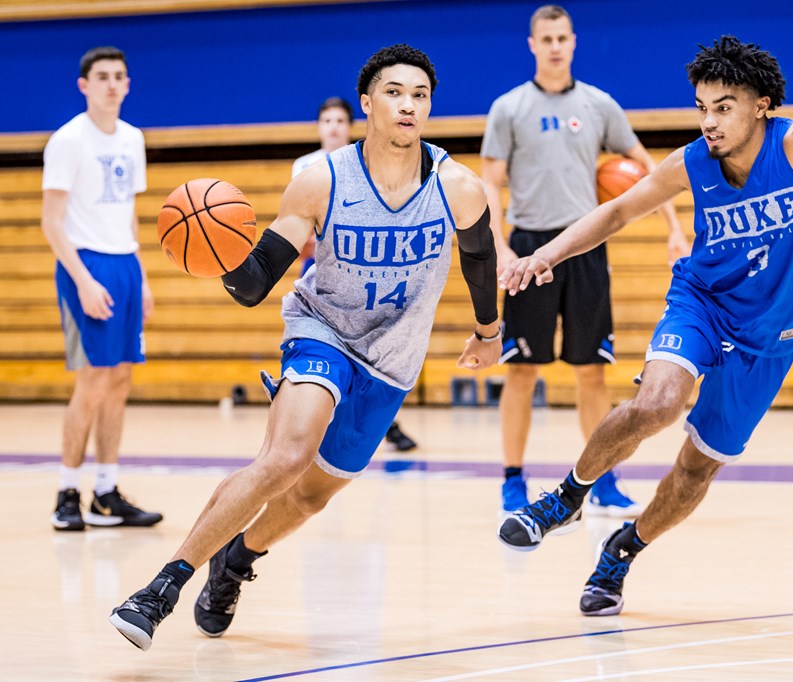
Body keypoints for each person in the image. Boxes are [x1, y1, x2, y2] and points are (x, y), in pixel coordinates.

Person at [497, 35, 793, 616]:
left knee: (695, 467)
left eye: (724, 107)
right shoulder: (691, 161)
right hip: (703, 303)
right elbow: (616, 211)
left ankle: (623, 551)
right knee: (656, 404)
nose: (709, 122)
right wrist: (545, 256)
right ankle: (567, 496)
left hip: (770, 336)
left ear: (761, 104)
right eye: (702, 107)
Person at [109, 44, 502, 650]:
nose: (408, 105)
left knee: (312, 496)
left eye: (420, 95)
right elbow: (258, 280)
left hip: (393, 361)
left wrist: (487, 332)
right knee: (287, 457)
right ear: (367, 103)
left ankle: (235, 561)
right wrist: (222, 254)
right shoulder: (322, 179)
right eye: (395, 92)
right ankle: (162, 587)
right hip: (321, 330)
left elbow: (479, 256)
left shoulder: (458, 186)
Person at [481, 4, 687, 519]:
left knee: (592, 371)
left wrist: (674, 229)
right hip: (530, 246)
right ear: (533, 44)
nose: (554, 46)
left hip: (587, 245)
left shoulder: (599, 105)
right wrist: (501, 247)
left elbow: (646, 167)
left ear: (574, 42)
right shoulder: (508, 108)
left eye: (562, 38)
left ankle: (603, 478)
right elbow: (488, 182)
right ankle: (512, 479)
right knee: (522, 371)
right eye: (545, 38)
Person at [41, 46, 162, 532]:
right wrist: (84, 279)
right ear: (84, 85)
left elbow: (128, 215)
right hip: (83, 265)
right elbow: (52, 223)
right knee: (92, 381)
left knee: (120, 380)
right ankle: (67, 492)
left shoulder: (132, 139)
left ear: (127, 85)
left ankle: (106, 492)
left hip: (124, 264)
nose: (112, 83)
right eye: (102, 76)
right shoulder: (68, 140)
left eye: (119, 76)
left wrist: (142, 274)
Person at [292, 96, 419, 452]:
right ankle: (307, 417)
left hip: (362, 272)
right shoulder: (304, 167)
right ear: (319, 127)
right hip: (317, 268)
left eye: (338, 120)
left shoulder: (366, 164)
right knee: (318, 344)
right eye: (327, 120)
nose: (333, 126)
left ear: (349, 126)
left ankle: (385, 425)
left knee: (371, 352)